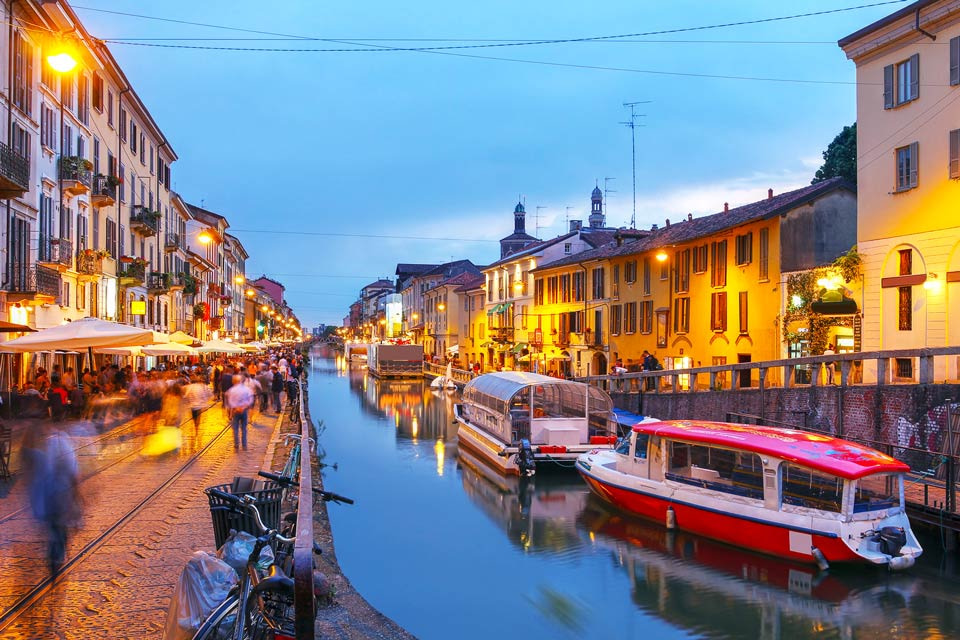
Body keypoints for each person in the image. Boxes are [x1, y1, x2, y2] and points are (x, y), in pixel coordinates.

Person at [23, 423, 80, 577]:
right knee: (59, 526)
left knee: (54, 525)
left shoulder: (45, 450)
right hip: (60, 496)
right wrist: (77, 497)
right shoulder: (63, 445)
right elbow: (73, 473)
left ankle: (54, 555)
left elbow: (27, 454)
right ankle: (57, 555)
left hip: (48, 497)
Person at [223, 375, 254, 451]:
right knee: (244, 428)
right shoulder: (247, 389)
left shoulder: (231, 390)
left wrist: (236, 408)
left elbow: (229, 401)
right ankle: (244, 445)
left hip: (235, 411)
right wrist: (243, 407)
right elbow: (250, 399)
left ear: (234, 381)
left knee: (235, 429)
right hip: (244, 411)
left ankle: (236, 445)